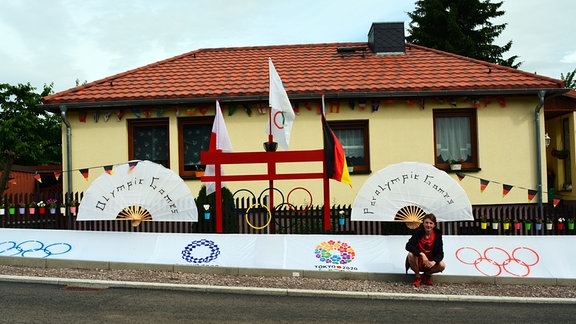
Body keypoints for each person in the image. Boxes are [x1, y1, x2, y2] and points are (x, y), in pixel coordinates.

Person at [405, 213, 446, 287]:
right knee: (410, 254)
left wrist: (434, 262)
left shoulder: (437, 235)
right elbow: (408, 246)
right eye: (426, 222)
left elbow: (440, 253)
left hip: (430, 262)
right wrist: (422, 254)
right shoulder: (417, 232)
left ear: (434, 225)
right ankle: (418, 277)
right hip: (418, 261)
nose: (428, 225)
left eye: (431, 223)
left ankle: (427, 275)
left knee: (442, 265)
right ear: (423, 224)